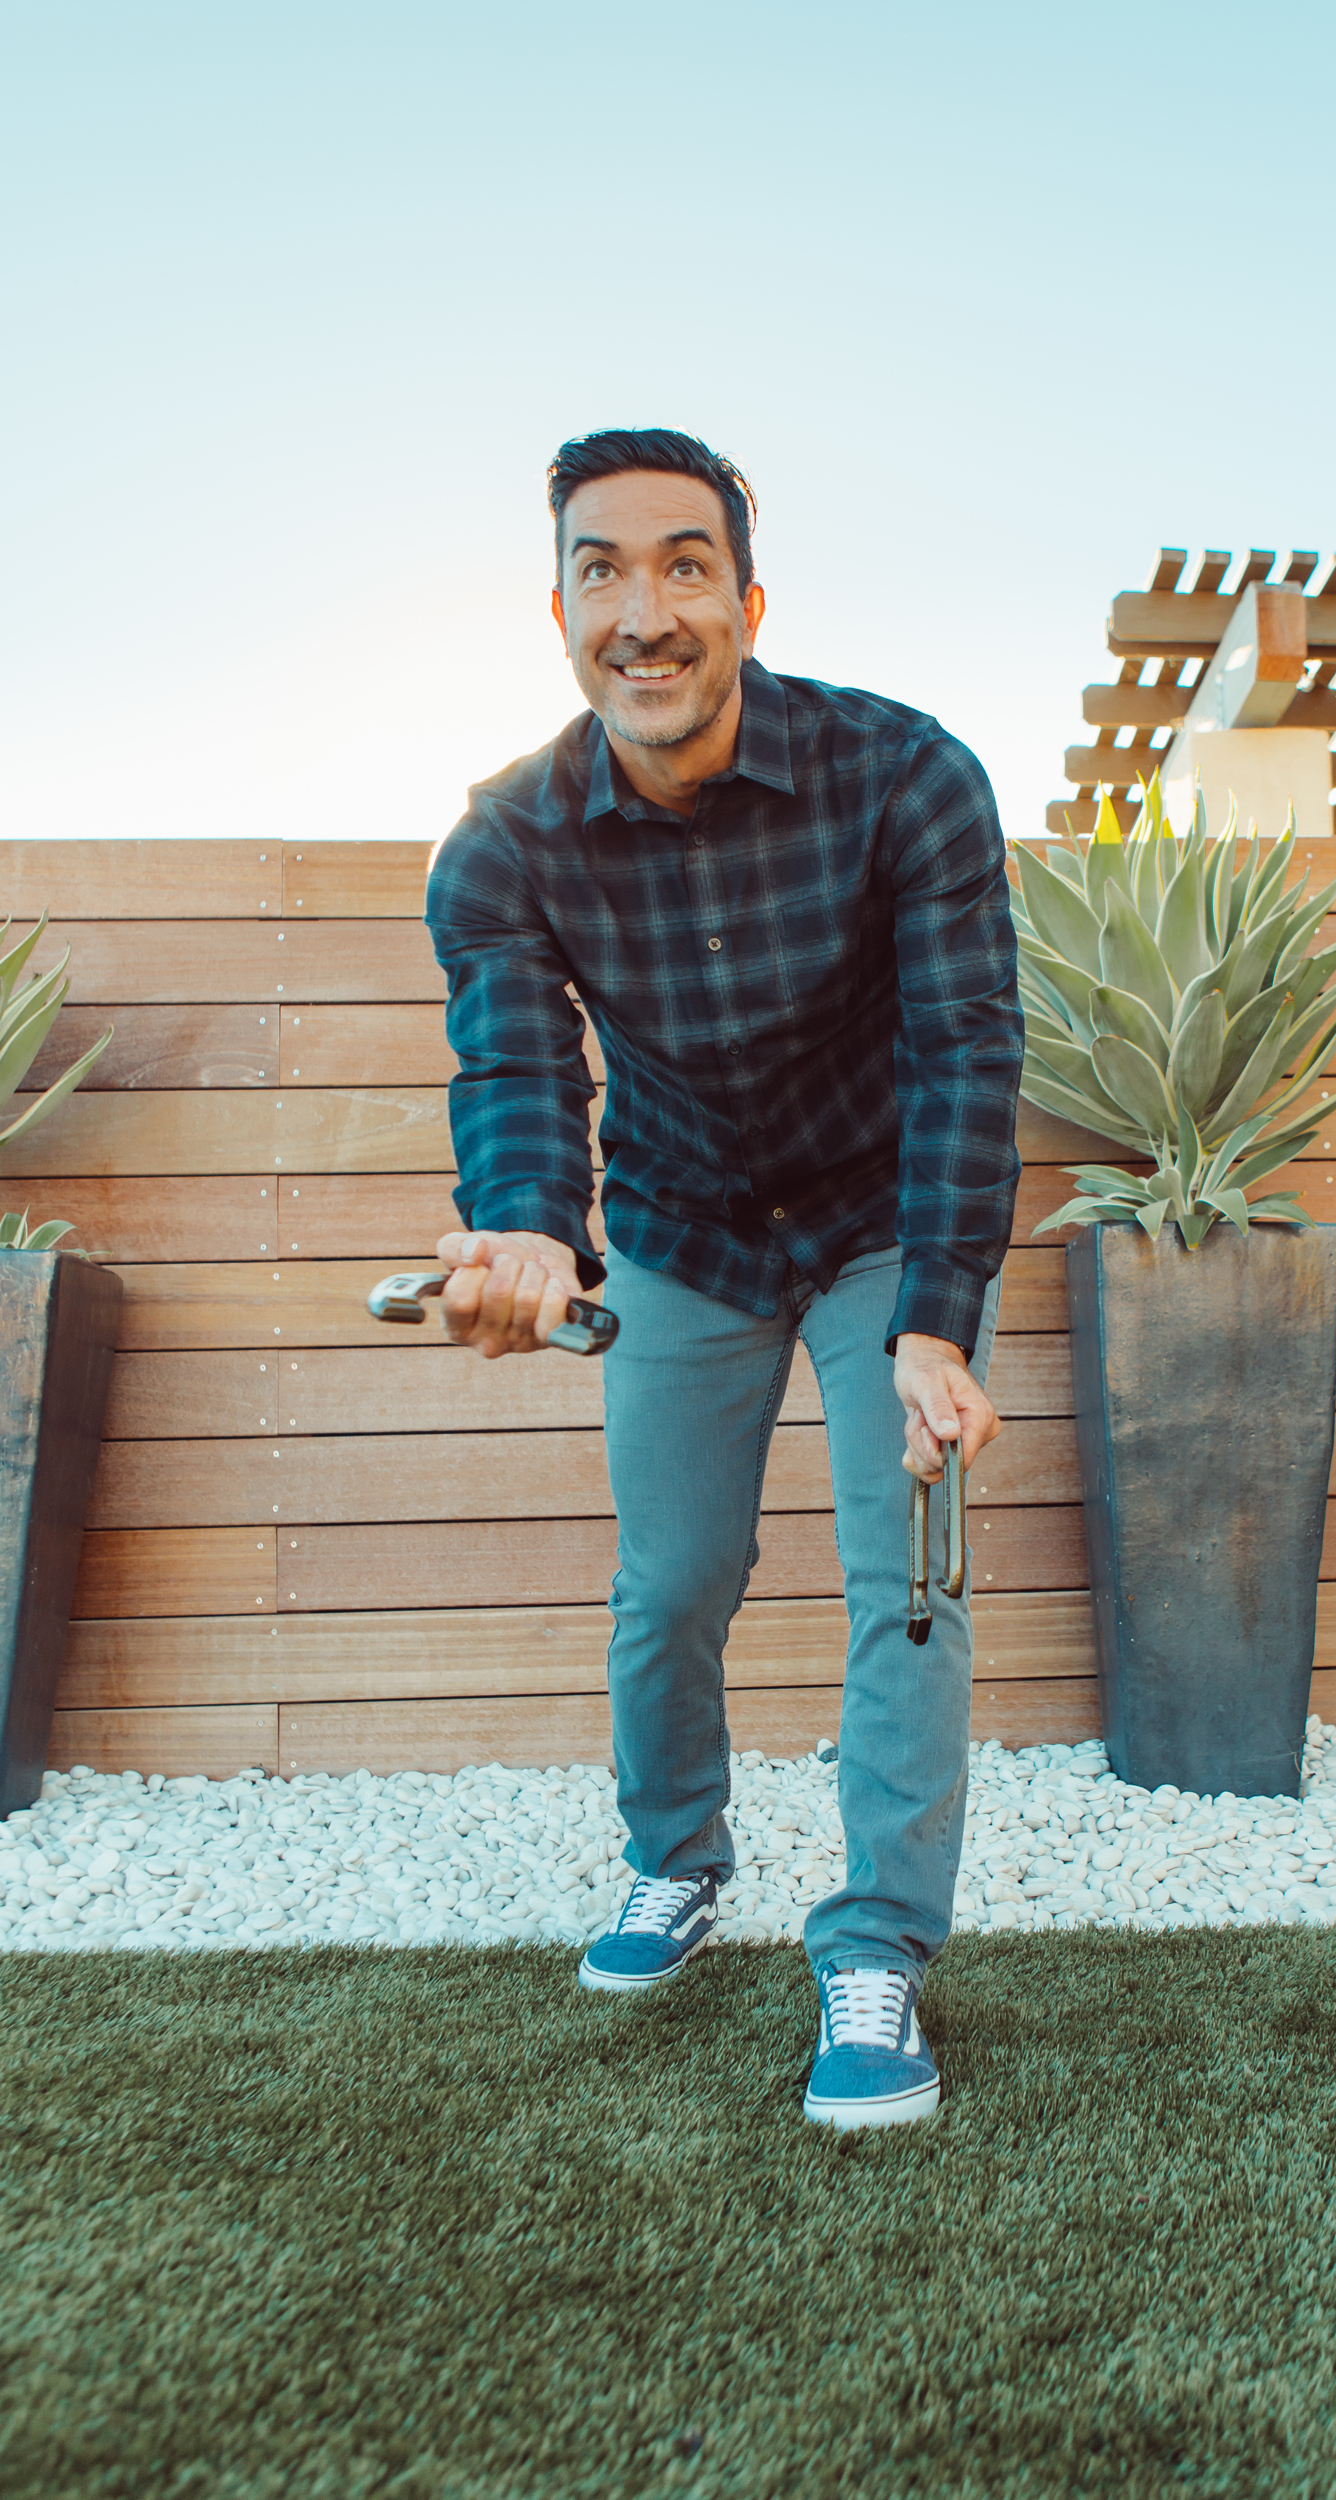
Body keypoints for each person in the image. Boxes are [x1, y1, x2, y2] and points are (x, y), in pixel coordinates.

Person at [425, 428, 1022, 2129]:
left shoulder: (905, 775)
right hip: (683, 1230)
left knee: (906, 1575)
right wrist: (529, 1227)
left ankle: (881, 1943)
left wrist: (937, 1319)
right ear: (557, 615)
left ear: (747, 603)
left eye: (685, 565)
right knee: (672, 1583)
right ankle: (675, 1860)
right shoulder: (504, 845)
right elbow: (517, 1071)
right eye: (601, 569)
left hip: (879, 1222)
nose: (645, 608)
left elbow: (968, 1045)